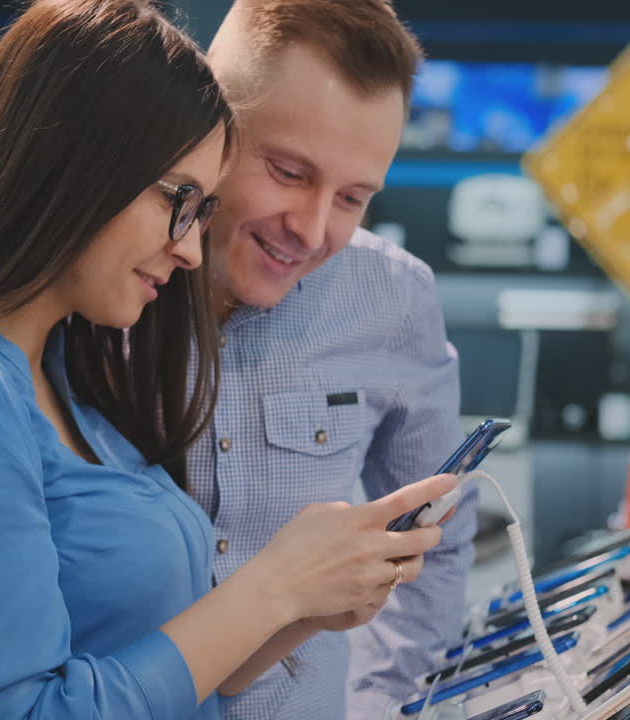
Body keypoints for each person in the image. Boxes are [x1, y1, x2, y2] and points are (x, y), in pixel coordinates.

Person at [0, 1, 455, 718]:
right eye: (182, 200)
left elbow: (131, 651)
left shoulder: (62, 376)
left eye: (353, 197)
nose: (190, 249)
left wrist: (300, 604)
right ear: (81, 166)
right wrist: (276, 588)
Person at [193, 2, 478, 717]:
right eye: (289, 173)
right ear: (208, 128)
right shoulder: (102, 284)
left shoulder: (394, 298)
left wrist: (388, 705)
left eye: (353, 198)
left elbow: (434, 543)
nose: (313, 231)